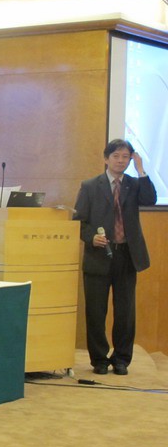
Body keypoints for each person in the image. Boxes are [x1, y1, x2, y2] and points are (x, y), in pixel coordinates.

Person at [74, 139, 157, 375]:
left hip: (127, 256)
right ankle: (99, 359)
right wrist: (91, 238)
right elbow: (78, 221)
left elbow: (150, 199)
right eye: (116, 156)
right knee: (96, 311)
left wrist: (141, 170)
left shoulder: (134, 184)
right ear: (106, 159)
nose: (121, 161)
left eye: (125, 157)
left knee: (125, 312)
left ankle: (121, 359)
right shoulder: (90, 186)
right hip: (98, 256)